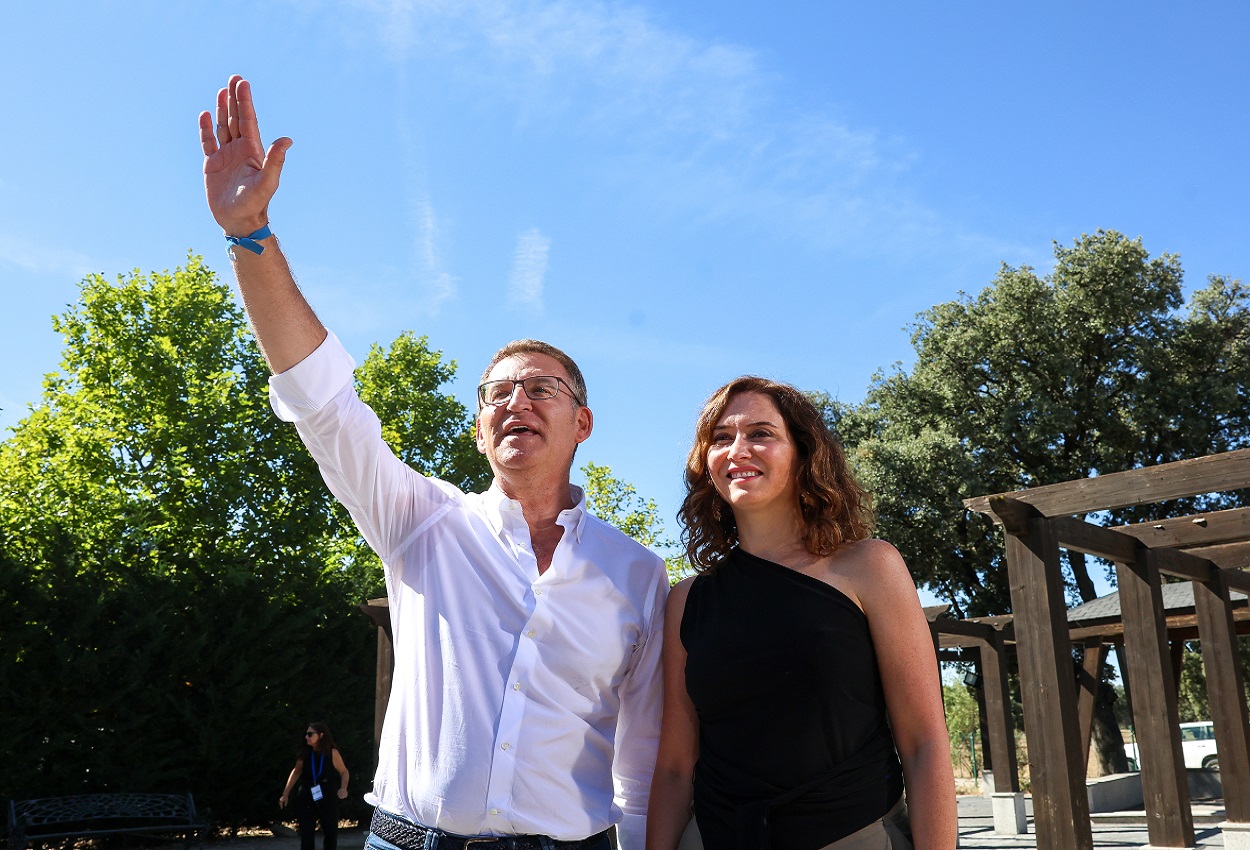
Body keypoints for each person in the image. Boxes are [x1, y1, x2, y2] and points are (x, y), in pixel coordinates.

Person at [199, 76, 668, 850]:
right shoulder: (420, 521)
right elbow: (323, 404)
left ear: (582, 422)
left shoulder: (638, 574)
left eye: (541, 389)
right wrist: (251, 233)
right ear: (481, 432)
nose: (517, 401)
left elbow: (642, 755)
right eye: (498, 394)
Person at [646, 378, 957, 850]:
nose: (737, 450)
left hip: (853, 834)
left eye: (760, 433)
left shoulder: (870, 567)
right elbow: (673, 767)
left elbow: (924, 744)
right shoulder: (688, 599)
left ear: (804, 453)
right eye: (721, 438)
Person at [281, 722, 351, 850]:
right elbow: (296, 771)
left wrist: (343, 788)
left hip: (327, 791)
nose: (306, 737)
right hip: (307, 791)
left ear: (321, 735)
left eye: (310, 734)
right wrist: (285, 793)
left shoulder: (331, 752)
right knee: (306, 832)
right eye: (306, 734)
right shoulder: (305, 753)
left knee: (330, 831)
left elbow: (344, 772)